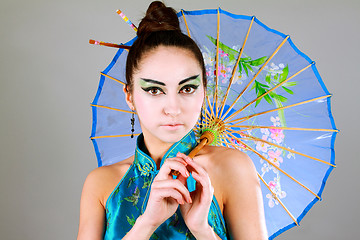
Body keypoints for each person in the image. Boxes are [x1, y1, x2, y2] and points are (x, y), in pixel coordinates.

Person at [78, 1, 268, 239]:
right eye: (155, 91)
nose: (173, 108)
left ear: (204, 91)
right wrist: (146, 223)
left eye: (187, 88)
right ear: (130, 96)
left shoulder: (231, 168)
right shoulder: (101, 183)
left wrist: (202, 229)